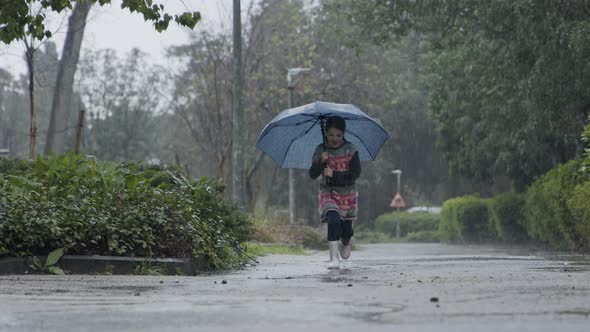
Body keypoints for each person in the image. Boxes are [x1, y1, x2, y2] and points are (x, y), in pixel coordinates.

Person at [309, 115, 361, 269]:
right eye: (331, 134)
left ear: (343, 133)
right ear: (326, 133)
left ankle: (345, 241)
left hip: (347, 194)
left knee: (346, 230)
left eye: (338, 135)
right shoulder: (321, 150)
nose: (334, 138)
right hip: (328, 193)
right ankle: (333, 259)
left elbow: (355, 174)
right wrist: (320, 161)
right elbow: (312, 174)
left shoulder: (350, 149)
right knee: (332, 220)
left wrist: (335, 174)